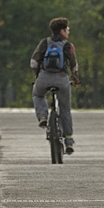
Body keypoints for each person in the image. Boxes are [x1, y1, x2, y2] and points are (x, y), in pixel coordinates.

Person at [31, 17, 80, 154]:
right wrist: (75, 79)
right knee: (65, 110)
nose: (68, 32)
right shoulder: (68, 46)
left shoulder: (44, 43)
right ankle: (69, 141)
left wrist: (39, 76)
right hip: (62, 80)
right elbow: (74, 66)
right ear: (62, 31)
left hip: (44, 78)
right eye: (67, 29)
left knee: (37, 94)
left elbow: (33, 63)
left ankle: (42, 116)